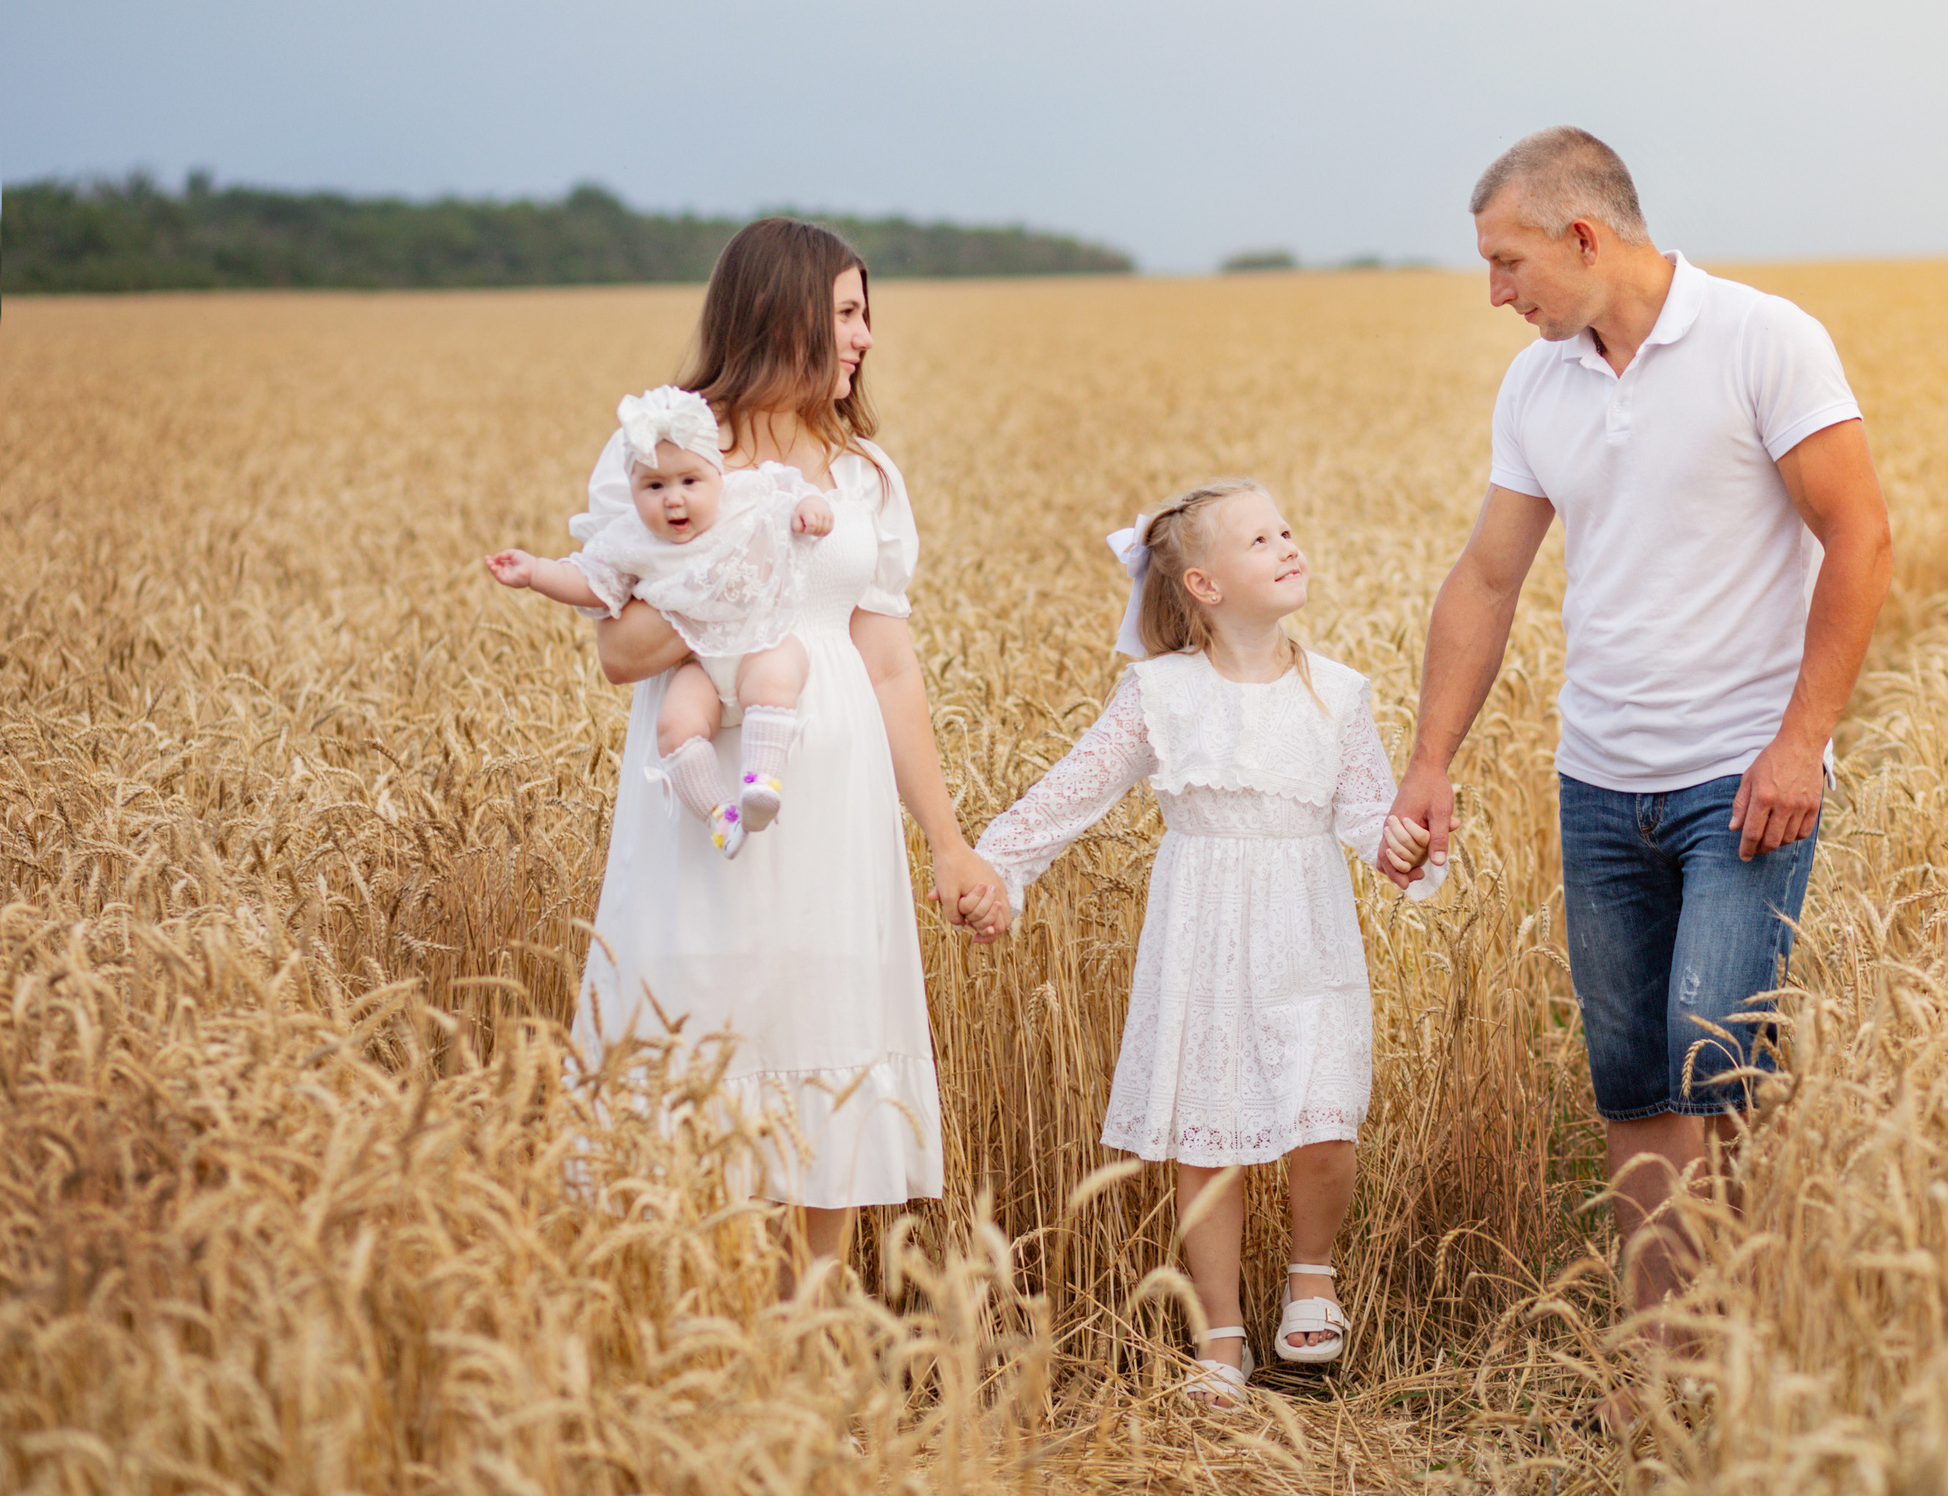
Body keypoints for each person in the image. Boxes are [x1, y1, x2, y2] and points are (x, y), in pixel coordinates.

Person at [1379, 128, 1893, 1431]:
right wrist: (1430, 761)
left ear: (1582, 238)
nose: (1497, 292)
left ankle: (1747, 1353)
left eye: (1506, 262)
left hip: (1744, 779)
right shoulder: (1538, 388)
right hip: (1598, 783)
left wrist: (1800, 739)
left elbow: (1860, 532)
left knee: (1717, 1065)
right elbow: (1488, 577)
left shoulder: (1765, 341)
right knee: (1636, 1089)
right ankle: (1662, 1369)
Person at [573, 216, 1010, 1289]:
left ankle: (809, 1345)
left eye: (868, 313)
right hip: (701, 793)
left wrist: (947, 843)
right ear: (782, 309)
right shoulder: (667, 451)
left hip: (834, 785)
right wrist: (744, 569)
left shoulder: (863, 475)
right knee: (703, 1024)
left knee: (826, 1023)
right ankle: (702, 1335)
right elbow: (620, 651)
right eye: (848, 310)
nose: (865, 335)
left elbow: (891, 664)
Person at [972, 480, 1441, 1406]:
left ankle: (1314, 1274)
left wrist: (1403, 846)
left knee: (1324, 1117)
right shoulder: (1162, 692)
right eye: (1260, 540)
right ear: (1205, 585)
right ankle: (1219, 1336)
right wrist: (996, 862)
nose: (1287, 545)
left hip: (1306, 930)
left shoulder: (1339, 693)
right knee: (1206, 1133)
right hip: (1202, 934)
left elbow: (1367, 814)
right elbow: (1081, 785)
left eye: (1288, 530)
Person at [486, 384, 836, 859]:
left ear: (717, 473)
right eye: (654, 486)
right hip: (699, 666)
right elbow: (590, 580)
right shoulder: (630, 540)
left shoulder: (745, 495)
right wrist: (535, 573)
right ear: (633, 490)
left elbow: (793, 495)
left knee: (775, 678)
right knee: (673, 724)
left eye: (689, 482)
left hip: (760, 643)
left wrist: (809, 511)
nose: (673, 499)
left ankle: (761, 782)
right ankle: (720, 815)